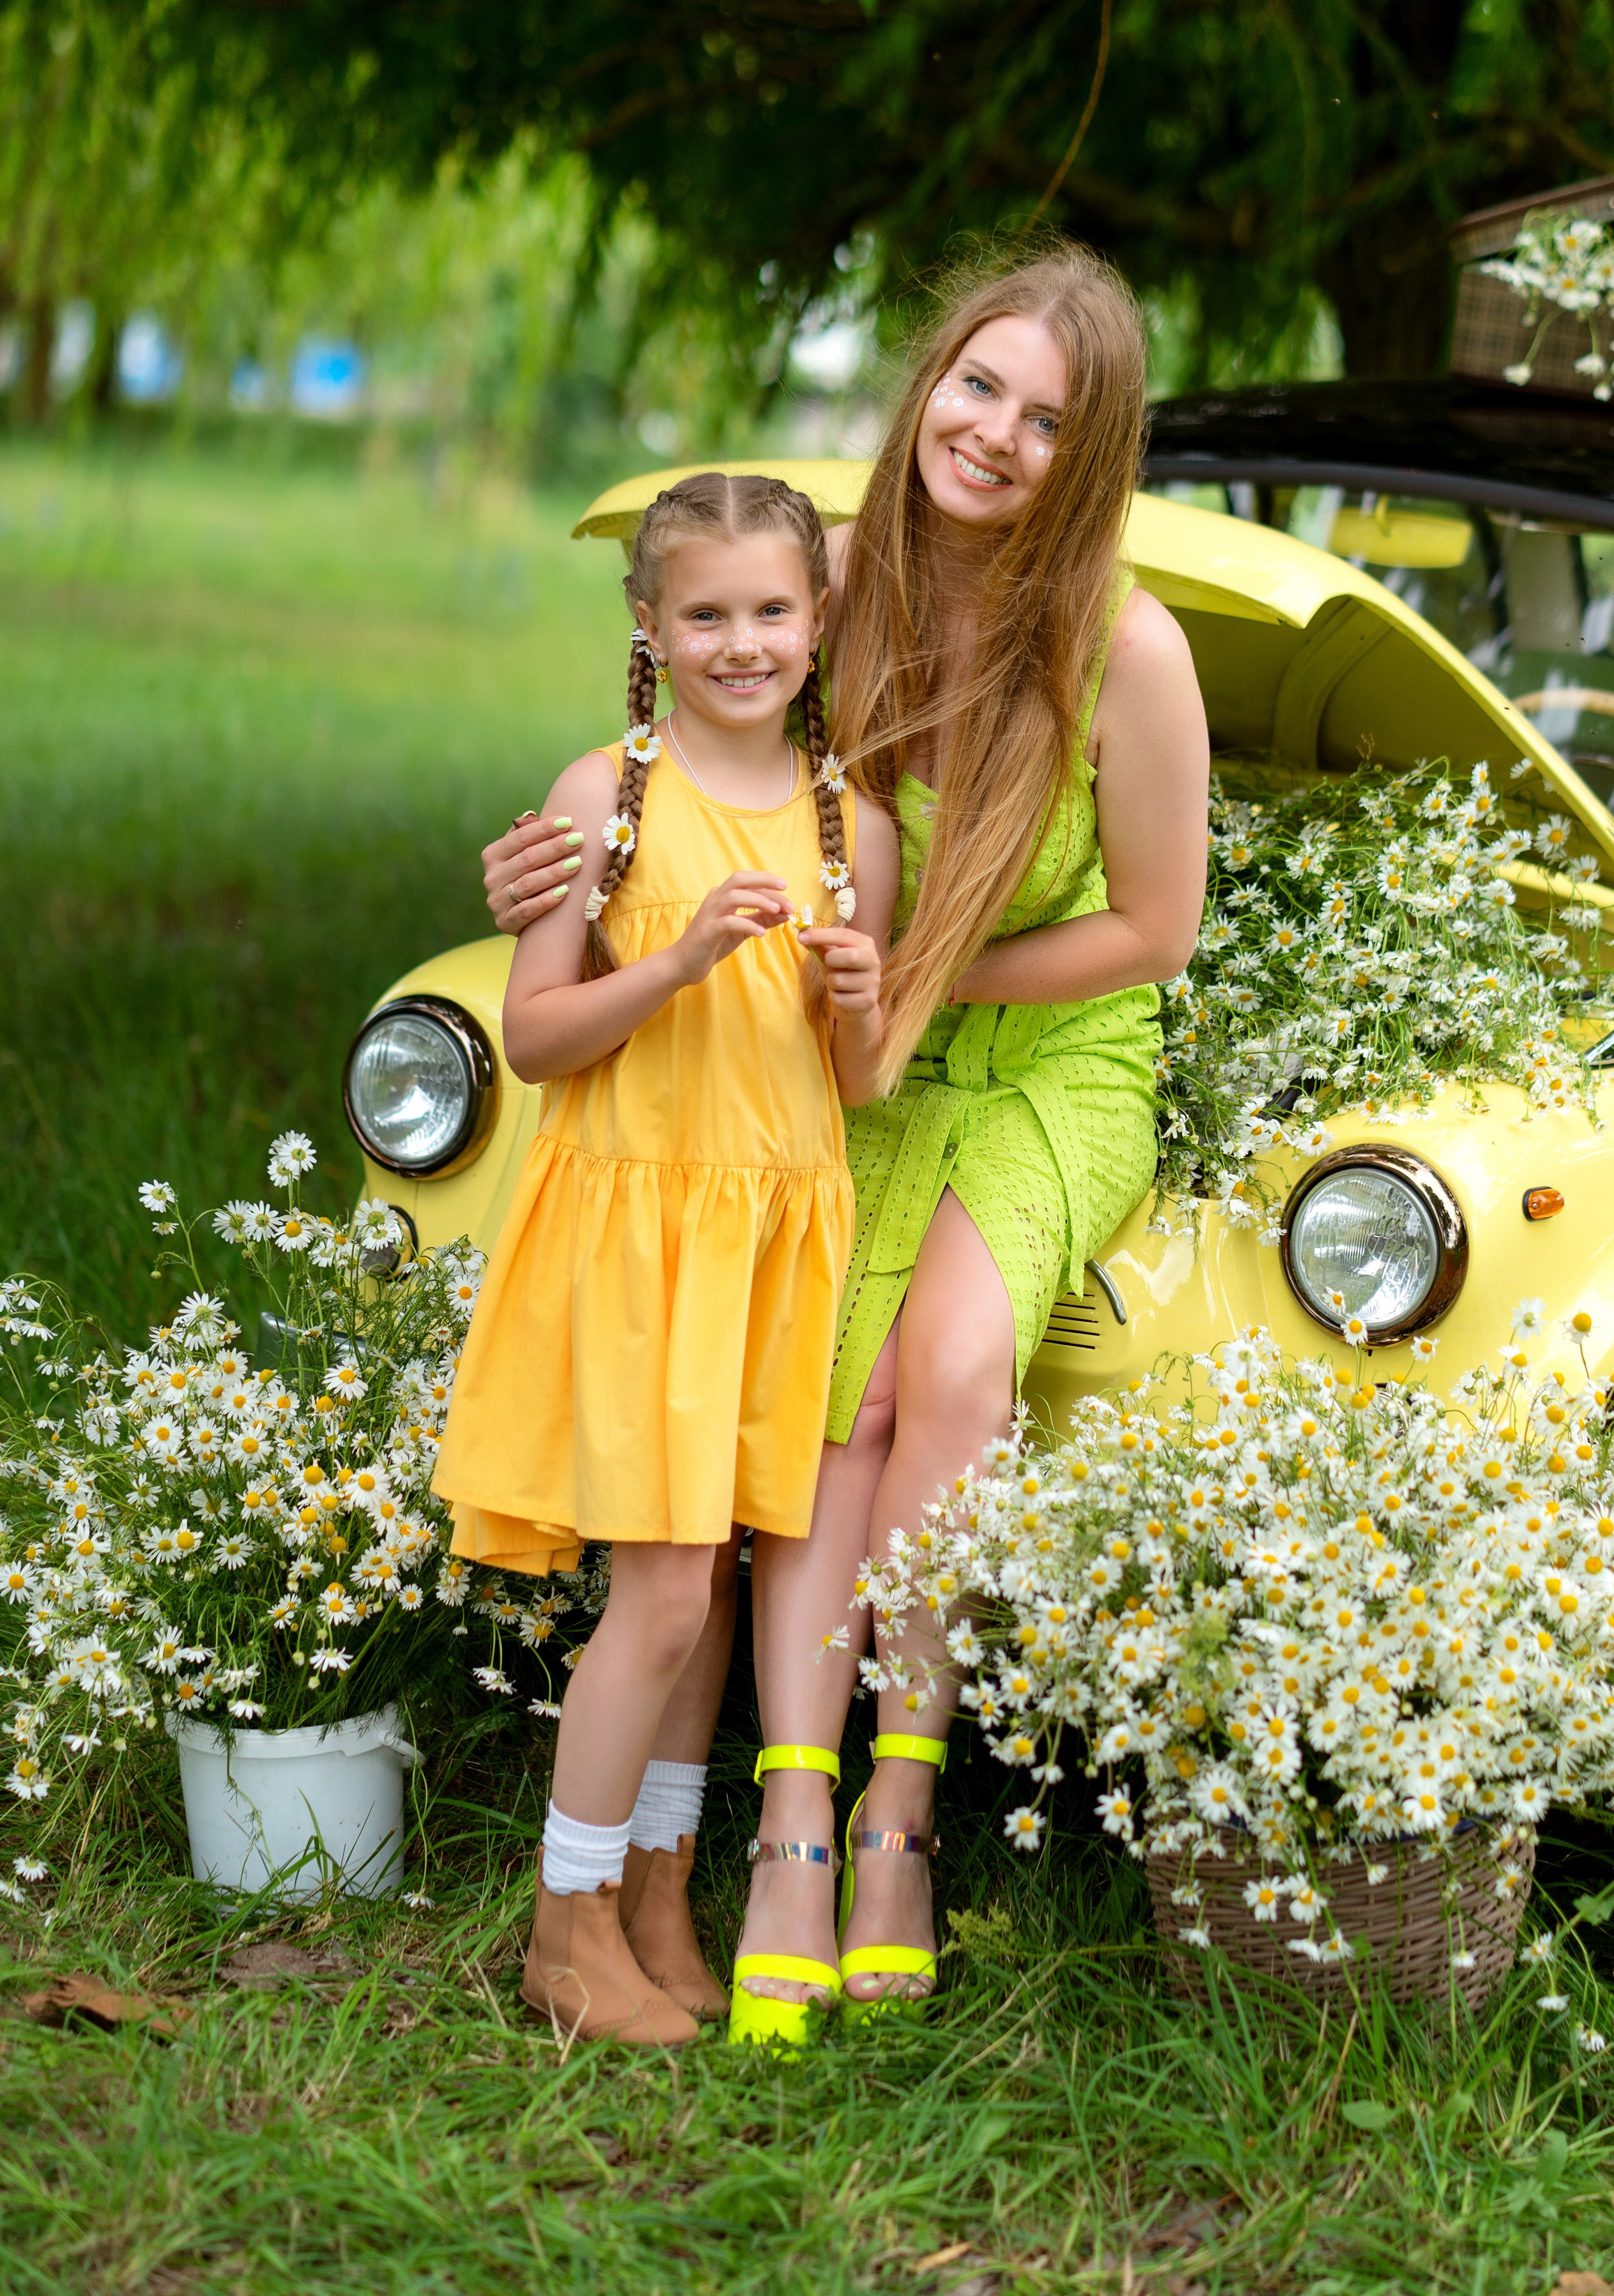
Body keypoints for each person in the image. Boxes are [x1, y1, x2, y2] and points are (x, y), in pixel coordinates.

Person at [482, 245, 1208, 2038]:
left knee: (952, 1360)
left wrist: (927, 969)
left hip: (1048, 1053)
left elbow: (1153, 931)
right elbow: (680, 768)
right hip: (843, 1053)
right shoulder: (831, 591)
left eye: (1049, 419)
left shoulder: (1124, 644)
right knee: (830, 1395)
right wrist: (535, 884)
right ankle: (782, 1813)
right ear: (927, 380)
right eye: (977, 385)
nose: (996, 435)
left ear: (1090, 454)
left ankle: (897, 1810)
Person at [435, 471, 897, 2048]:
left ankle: (656, 1887)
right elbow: (539, 1033)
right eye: (705, 613)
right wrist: (684, 956)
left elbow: (855, 1085)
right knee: (658, 1595)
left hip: (766, 1243)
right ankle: (565, 1924)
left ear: (818, 619)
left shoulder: (858, 830)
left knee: (707, 1585)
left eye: (772, 610)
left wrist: (853, 995)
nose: (742, 641)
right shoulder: (602, 799)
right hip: (637, 1234)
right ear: (649, 625)